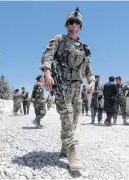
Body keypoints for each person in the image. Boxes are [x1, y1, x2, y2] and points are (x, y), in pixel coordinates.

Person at [39, 7, 95, 171]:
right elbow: (48, 55)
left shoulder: (84, 47)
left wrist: (91, 80)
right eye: (71, 21)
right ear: (67, 24)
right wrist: (47, 73)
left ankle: (65, 145)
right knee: (67, 116)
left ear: (80, 26)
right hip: (62, 85)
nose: (74, 24)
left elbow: (88, 66)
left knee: (75, 117)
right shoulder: (59, 39)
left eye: (77, 22)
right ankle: (72, 151)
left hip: (77, 87)